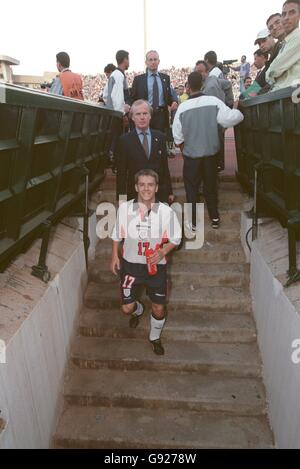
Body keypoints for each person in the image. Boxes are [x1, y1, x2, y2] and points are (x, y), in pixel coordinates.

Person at [110, 169, 182, 356]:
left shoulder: (166, 212)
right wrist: (114, 256)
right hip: (131, 265)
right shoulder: (125, 209)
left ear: (156, 187)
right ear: (136, 187)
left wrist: (162, 251)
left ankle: (154, 337)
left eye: (150, 184)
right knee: (127, 308)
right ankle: (138, 309)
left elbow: (176, 238)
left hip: (156, 267)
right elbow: (117, 234)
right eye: (142, 184)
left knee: (158, 307)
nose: (146, 188)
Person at [172, 72, 244, 231]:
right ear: (203, 85)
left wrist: (185, 151)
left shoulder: (183, 107)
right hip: (211, 155)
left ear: (188, 87)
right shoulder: (213, 101)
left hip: (191, 157)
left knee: (191, 190)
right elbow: (232, 118)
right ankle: (215, 218)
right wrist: (238, 109)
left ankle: (193, 222)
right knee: (210, 187)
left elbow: (177, 135)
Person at [116, 100, 174, 204]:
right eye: (138, 114)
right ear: (132, 117)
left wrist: (169, 191)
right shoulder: (124, 140)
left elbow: (164, 167)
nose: (142, 117)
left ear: (150, 116)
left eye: (145, 113)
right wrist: (121, 198)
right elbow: (122, 172)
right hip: (135, 195)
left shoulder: (160, 137)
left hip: (158, 195)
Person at [130, 51, 178, 133]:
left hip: (161, 116)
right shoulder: (138, 79)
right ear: (146, 62)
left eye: (155, 59)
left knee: (160, 142)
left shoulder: (165, 78)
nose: (153, 62)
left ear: (159, 61)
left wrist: (174, 101)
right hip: (144, 115)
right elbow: (133, 98)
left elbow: (168, 96)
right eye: (150, 60)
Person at [267, 0, 300, 91]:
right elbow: (263, 78)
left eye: (277, 22)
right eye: (270, 27)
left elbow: (271, 72)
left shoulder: (296, 38)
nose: (275, 27)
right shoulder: (282, 46)